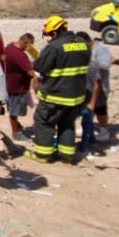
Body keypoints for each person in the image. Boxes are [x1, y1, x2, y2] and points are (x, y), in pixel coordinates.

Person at [27, 15, 90, 164]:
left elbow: (40, 68)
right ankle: (66, 155)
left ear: (54, 32)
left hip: (55, 94)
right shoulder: (82, 43)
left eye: (48, 35)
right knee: (67, 124)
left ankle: (43, 154)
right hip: (76, 95)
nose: (48, 38)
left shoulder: (54, 47)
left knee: (43, 121)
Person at [78, 33, 113, 152]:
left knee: (100, 108)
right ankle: (90, 133)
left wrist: (91, 64)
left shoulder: (100, 50)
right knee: (88, 112)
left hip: (100, 84)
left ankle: (104, 130)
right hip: (87, 85)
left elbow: (106, 65)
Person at [2, 33, 36, 141]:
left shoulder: (9, 47)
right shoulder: (20, 55)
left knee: (14, 109)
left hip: (10, 83)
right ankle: (16, 133)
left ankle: (18, 126)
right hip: (17, 87)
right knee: (14, 111)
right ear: (25, 43)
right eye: (30, 46)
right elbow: (30, 72)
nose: (29, 48)